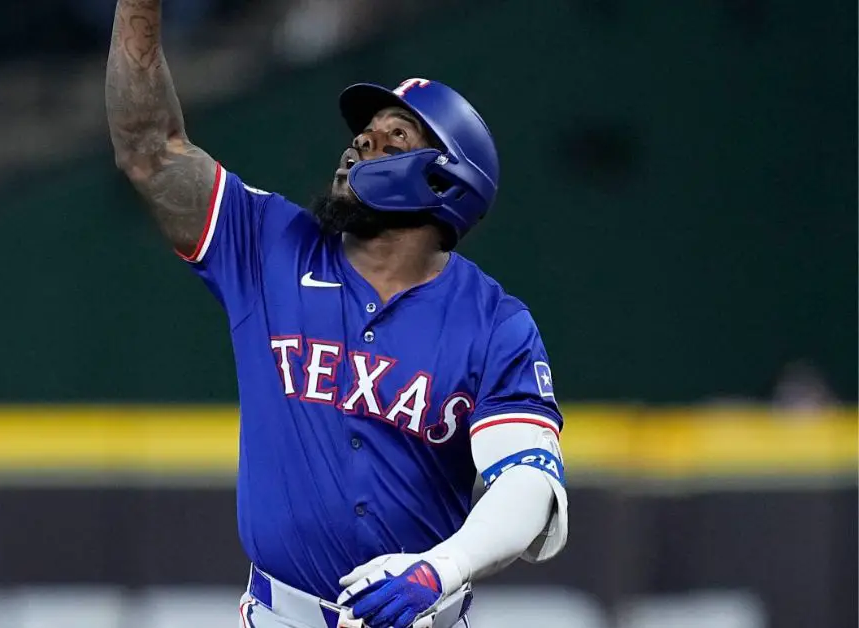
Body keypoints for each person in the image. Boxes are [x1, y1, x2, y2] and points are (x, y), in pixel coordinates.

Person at [105, 2, 569, 627]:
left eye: (394, 137)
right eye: (364, 131)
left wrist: (441, 567)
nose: (362, 142)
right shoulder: (268, 242)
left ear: (443, 182)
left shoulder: (494, 323)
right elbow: (149, 150)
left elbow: (529, 486)